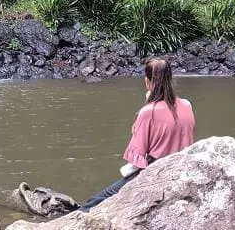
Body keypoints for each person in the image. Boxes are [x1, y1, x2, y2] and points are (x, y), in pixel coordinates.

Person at [78, 58, 195, 212]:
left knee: (95, 201)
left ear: (147, 81)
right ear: (170, 79)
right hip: (181, 168)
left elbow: (137, 156)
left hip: (156, 172)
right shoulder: (186, 104)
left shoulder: (148, 112)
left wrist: (147, 106)